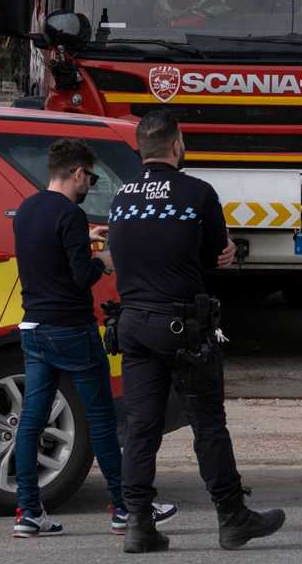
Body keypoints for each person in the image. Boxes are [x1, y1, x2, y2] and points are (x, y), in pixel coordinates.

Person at [108, 111, 286, 553]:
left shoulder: (121, 196)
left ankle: (138, 524)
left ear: (140, 149)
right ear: (176, 145)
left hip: (132, 324)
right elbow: (213, 256)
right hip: (183, 326)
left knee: (141, 427)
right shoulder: (198, 193)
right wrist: (222, 254)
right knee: (208, 425)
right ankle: (232, 516)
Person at [10, 139, 177, 538]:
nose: (90, 184)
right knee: (101, 419)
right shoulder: (69, 213)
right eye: (91, 176)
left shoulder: (27, 209)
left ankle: (28, 512)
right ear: (78, 173)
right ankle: (125, 508)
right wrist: (101, 260)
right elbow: (79, 276)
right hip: (72, 329)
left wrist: (85, 239)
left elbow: (49, 253)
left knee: (31, 420)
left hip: (34, 329)